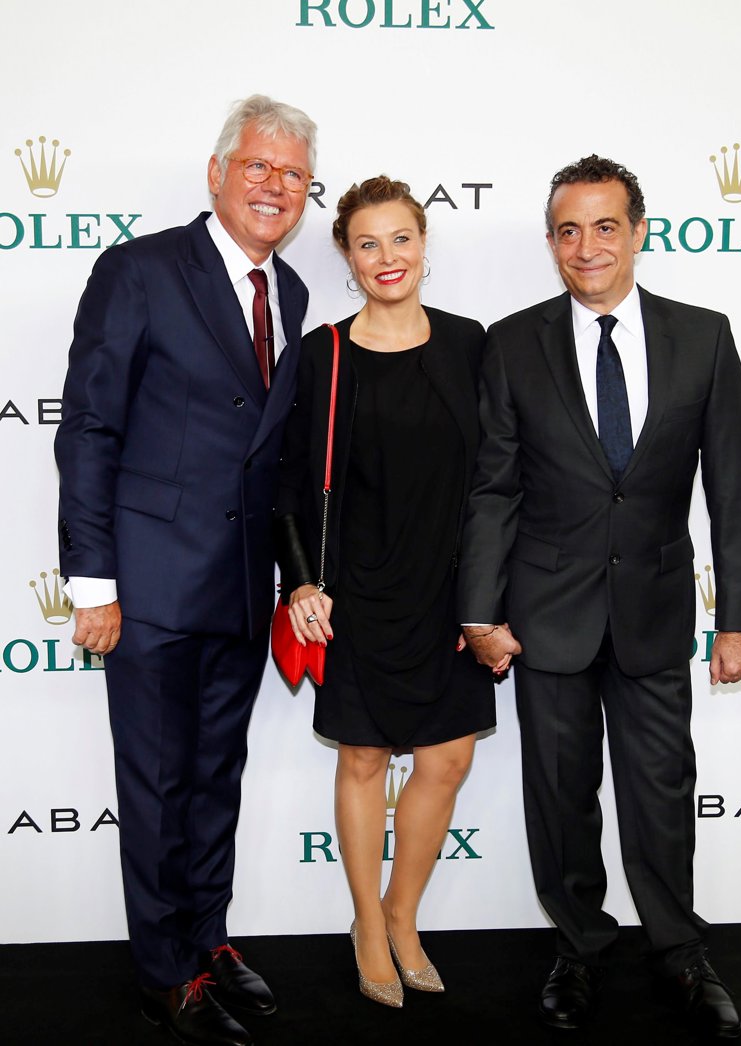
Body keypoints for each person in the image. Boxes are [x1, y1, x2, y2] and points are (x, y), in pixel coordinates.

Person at [458, 155, 741, 1039]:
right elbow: (494, 489)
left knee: (661, 791)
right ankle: (580, 948)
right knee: (561, 796)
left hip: (657, 611)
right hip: (545, 613)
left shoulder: (703, 336)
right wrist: (479, 612)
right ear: (551, 242)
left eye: (603, 226)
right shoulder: (513, 343)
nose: (586, 246)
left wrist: (740, 618)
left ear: (637, 232)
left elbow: (733, 489)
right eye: (568, 230)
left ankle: (680, 951)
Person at [54, 95, 317, 1046]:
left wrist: (294, 575)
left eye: (294, 175)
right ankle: (162, 974)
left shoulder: (290, 292)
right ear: (217, 173)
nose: (275, 186)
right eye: (258, 166)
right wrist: (94, 582)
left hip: (240, 589)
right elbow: (90, 426)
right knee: (159, 788)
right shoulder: (140, 270)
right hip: (151, 590)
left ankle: (207, 939)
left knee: (215, 780)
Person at [275, 176, 495, 1008]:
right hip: (356, 594)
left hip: (451, 589)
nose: (387, 257)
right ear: (347, 255)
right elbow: (285, 482)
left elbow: (500, 477)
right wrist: (301, 578)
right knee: (364, 757)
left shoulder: (471, 344)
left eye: (400, 238)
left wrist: (489, 596)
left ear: (424, 243)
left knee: (448, 758)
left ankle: (404, 915)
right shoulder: (322, 355)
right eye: (368, 243)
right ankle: (367, 923)